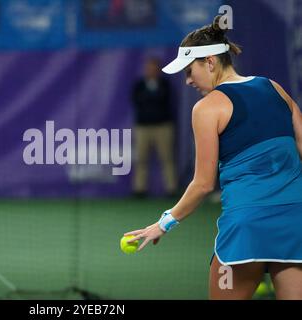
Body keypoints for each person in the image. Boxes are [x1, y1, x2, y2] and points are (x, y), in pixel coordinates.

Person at [124, 16, 302, 300]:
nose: (187, 80)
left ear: (209, 61)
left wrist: (163, 223)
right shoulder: (275, 88)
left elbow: (203, 184)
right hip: (295, 222)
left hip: (246, 227)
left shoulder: (206, 108)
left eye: (190, 70)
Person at [131, 58, 177, 198]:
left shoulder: (164, 84)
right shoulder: (139, 85)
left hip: (163, 127)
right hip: (143, 128)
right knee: (141, 159)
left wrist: (150, 98)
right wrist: (152, 98)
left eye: (154, 68)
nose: (151, 70)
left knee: (167, 158)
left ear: (158, 70)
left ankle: (171, 189)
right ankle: (139, 189)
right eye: (149, 67)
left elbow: (163, 100)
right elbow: (137, 101)